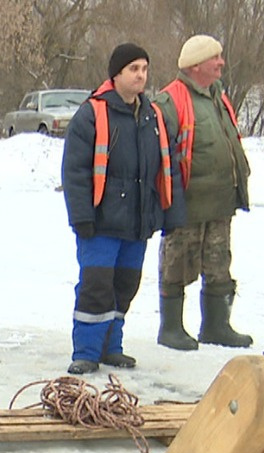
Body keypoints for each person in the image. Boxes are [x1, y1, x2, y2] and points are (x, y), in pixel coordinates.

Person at [62, 43, 185, 375]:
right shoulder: (92, 114)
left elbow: (169, 167)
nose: (141, 76)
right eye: (134, 69)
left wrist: (171, 214)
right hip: (100, 224)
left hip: (137, 224)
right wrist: (82, 217)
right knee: (96, 286)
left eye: (144, 69)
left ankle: (110, 347)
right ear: (116, 74)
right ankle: (86, 351)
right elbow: (74, 172)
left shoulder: (153, 116)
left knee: (124, 286)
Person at [154, 34, 253, 350]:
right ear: (196, 65)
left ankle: (216, 325)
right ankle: (171, 328)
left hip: (221, 200)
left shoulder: (217, 96)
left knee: (219, 261)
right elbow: (160, 153)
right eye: (216, 58)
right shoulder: (170, 100)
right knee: (177, 261)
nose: (221, 62)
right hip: (188, 203)